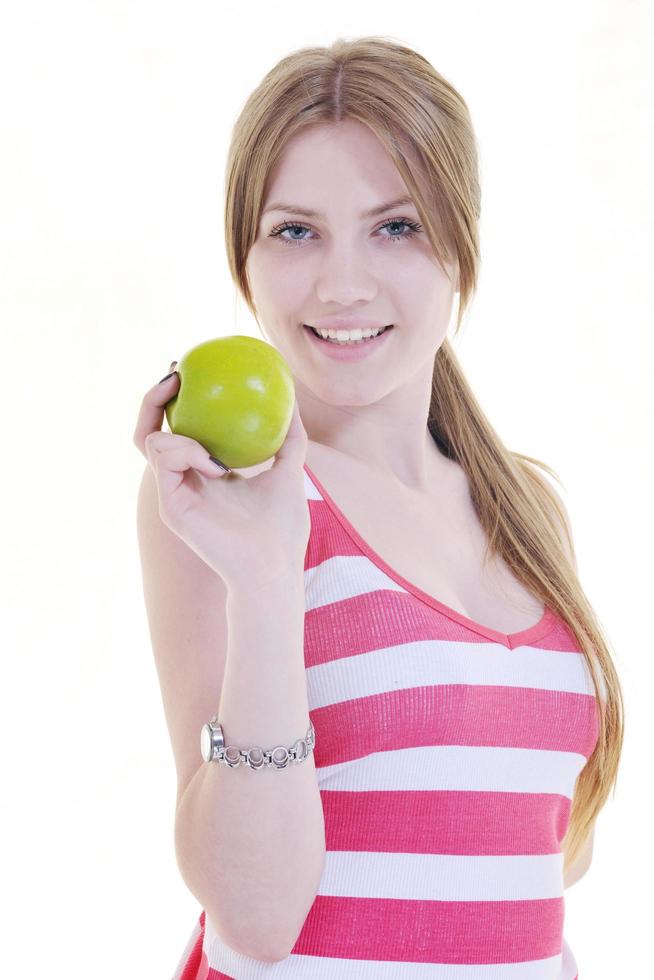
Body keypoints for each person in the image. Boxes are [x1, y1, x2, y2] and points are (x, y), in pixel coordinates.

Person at [134, 36, 624, 980]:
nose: (343, 284)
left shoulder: (529, 510)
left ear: (461, 247)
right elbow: (255, 912)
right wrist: (267, 579)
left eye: (395, 226)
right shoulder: (220, 503)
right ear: (245, 256)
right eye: (295, 230)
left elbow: (542, 857)